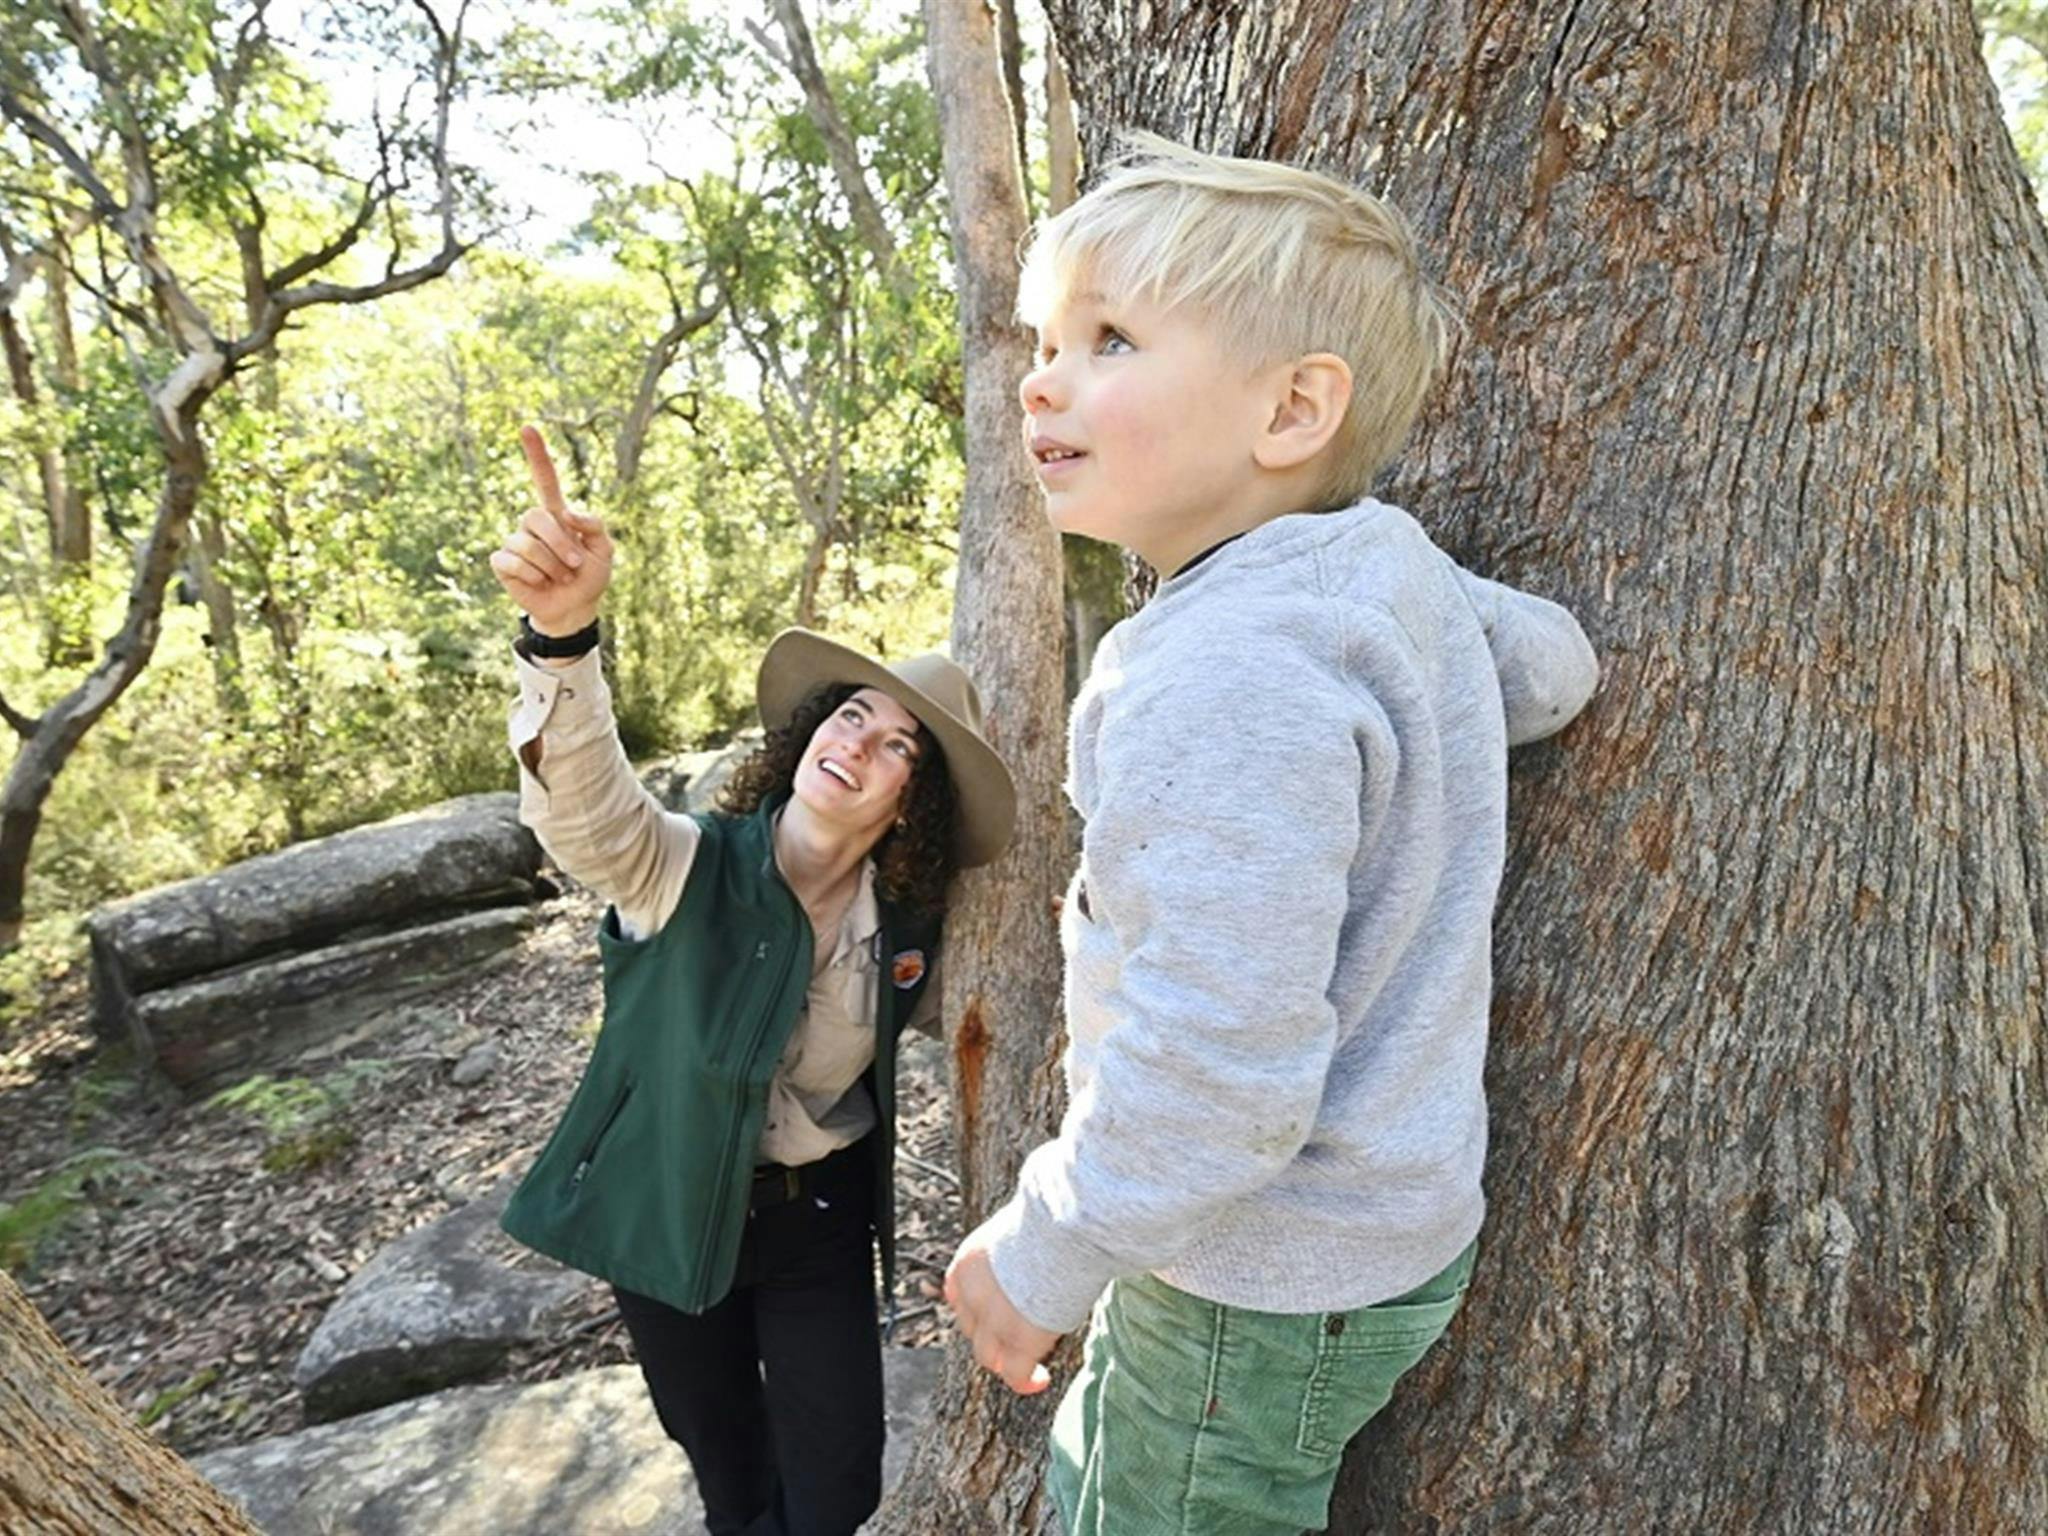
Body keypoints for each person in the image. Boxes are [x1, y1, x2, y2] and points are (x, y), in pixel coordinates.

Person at [941, 135, 1601, 1534]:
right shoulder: (1380, 572)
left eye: (1110, 339)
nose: (1040, 379)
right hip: (1383, 1218)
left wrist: (1045, 1251)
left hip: (1248, 1265)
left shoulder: (1221, 672)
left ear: (1294, 408)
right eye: (1044, 340)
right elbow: (1553, 672)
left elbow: (1221, 1067)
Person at [490, 426, 1016, 1536]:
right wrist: (560, 635)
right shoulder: (680, 865)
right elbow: (584, 805)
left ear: (907, 806)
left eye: (897, 751)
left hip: (814, 1222)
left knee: (836, 1485)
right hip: (669, 1209)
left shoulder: (911, 926)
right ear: (806, 737)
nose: (858, 746)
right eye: (849, 717)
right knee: (727, 1468)